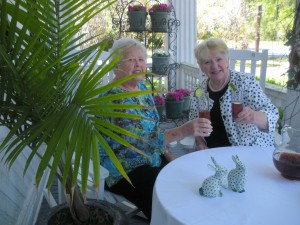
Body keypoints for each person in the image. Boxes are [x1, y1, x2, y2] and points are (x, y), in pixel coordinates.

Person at [99, 37, 212, 220]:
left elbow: (154, 128)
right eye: (131, 60)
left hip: (150, 157)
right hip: (122, 168)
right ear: (116, 64)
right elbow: (135, 140)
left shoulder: (142, 88)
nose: (138, 64)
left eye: (141, 59)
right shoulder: (112, 97)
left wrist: (168, 155)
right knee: (163, 193)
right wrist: (182, 131)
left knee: (184, 178)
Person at [190, 37, 279, 149]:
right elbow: (194, 122)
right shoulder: (198, 91)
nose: (214, 66)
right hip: (211, 153)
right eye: (207, 62)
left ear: (227, 60)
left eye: (219, 59)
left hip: (248, 151)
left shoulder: (245, 82)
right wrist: (200, 143)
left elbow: (273, 115)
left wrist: (253, 116)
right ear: (201, 67)